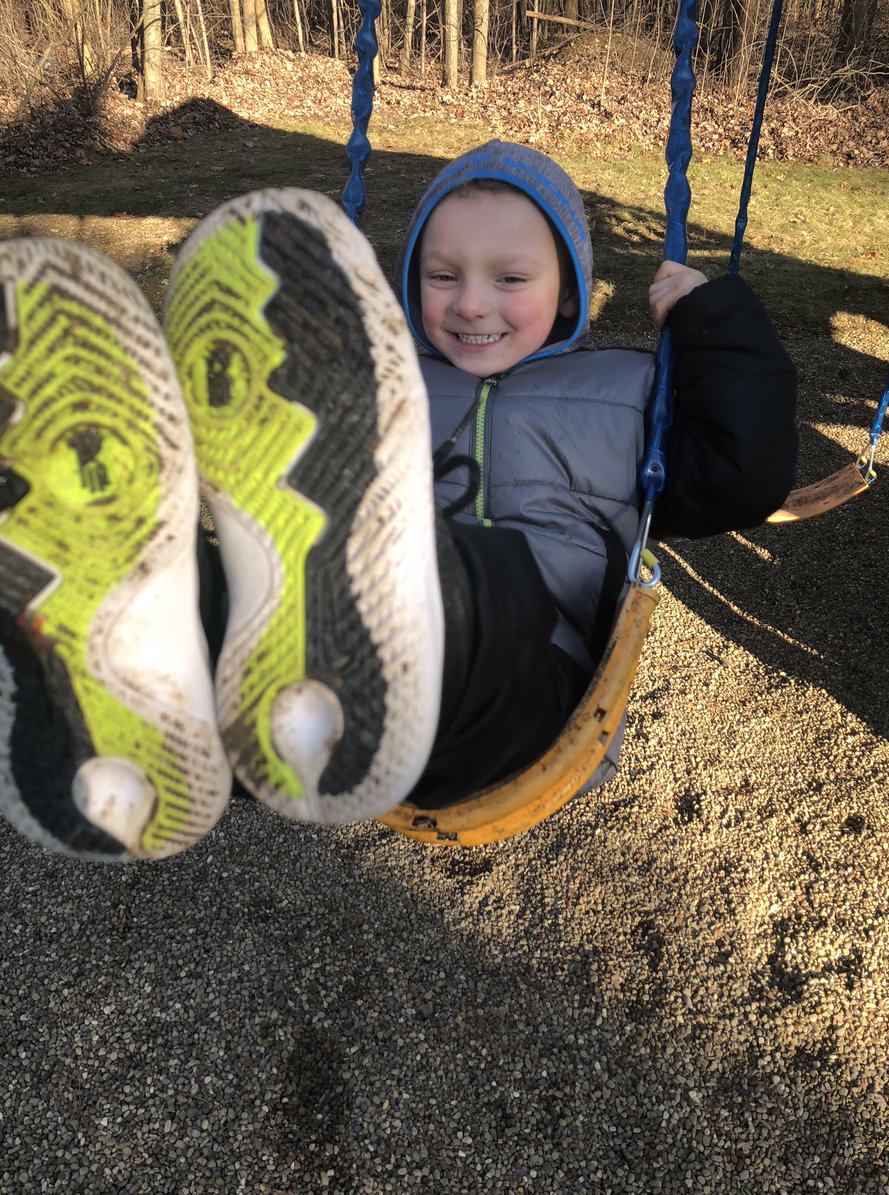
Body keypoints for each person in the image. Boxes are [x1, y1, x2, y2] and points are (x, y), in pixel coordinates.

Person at [0, 141, 796, 861]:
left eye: (509, 279)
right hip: (340, 662)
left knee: (475, 582)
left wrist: (711, 319)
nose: (471, 303)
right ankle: (128, 653)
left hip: (526, 681)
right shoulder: (390, 382)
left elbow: (744, 475)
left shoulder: (626, 393)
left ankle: (334, 605)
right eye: (443, 276)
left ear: (567, 293)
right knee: (240, 587)